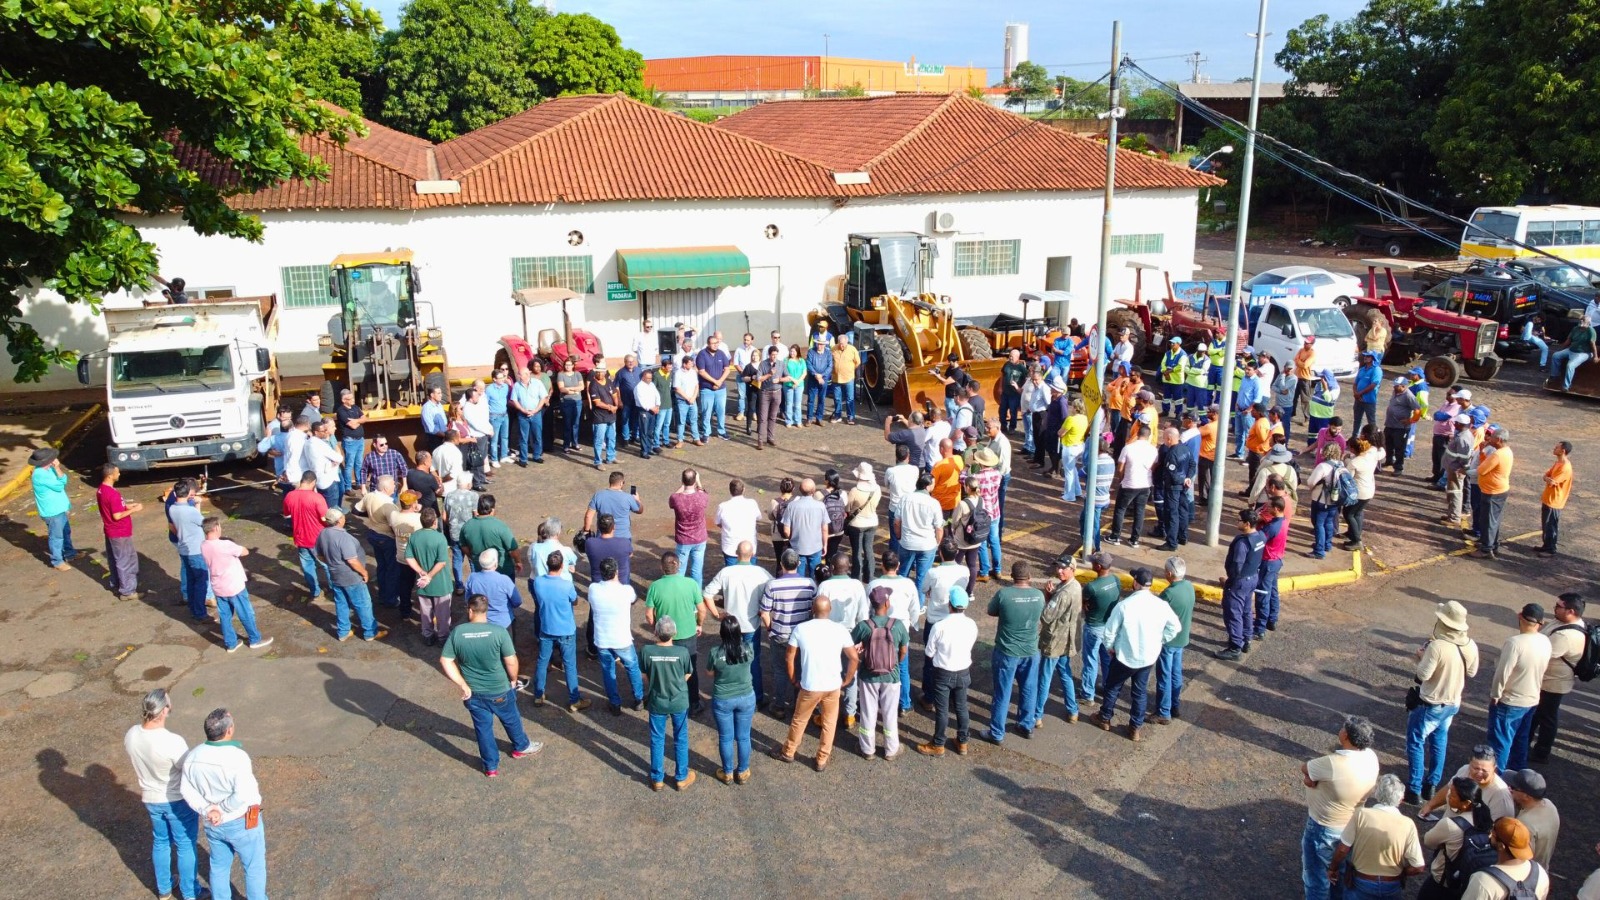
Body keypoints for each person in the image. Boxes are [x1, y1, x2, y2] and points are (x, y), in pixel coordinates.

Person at [440, 594, 541, 777]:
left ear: (470, 610)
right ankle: (521, 747)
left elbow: (446, 660)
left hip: (474, 693)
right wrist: (513, 678)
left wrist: (462, 684)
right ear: (486, 611)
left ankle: (490, 767)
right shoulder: (499, 632)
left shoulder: (458, 632)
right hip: (499, 688)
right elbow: (511, 660)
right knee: (511, 719)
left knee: (483, 729)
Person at [180, 709, 267, 900]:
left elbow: (186, 790)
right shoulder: (237, 757)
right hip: (242, 821)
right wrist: (222, 809)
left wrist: (208, 809)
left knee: (219, 867)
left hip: (214, 824)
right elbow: (243, 794)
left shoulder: (193, 756)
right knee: (253, 867)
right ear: (229, 731)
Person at [1404, 600, 1481, 805]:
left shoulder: (1437, 646)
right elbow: (1472, 672)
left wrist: (1421, 656)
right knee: (1439, 742)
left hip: (1430, 704)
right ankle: (1432, 786)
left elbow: (1423, 674)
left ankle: (1414, 789)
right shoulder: (1471, 645)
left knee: (1416, 743)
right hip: (1452, 703)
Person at [125, 689, 200, 900]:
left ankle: (164, 889)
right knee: (185, 845)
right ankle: (190, 893)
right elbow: (188, 769)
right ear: (164, 710)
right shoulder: (172, 741)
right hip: (176, 800)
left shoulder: (132, 735)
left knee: (161, 842)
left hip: (151, 799)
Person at [772, 596, 859, 772]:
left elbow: (789, 656)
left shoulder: (801, 629)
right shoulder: (839, 629)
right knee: (829, 722)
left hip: (810, 685)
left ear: (812, 609)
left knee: (799, 719)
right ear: (830, 610)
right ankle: (821, 759)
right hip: (832, 685)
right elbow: (854, 657)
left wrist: (793, 677)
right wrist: (847, 679)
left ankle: (788, 752)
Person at [1094, 567, 1180, 742]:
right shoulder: (1161, 605)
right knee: (1139, 692)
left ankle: (1104, 717)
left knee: (1113, 687)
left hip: (1125, 656)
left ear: (1135, 583)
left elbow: (1109, 632)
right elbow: (1175, 627)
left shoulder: (1124, 606)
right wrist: (1161, 640)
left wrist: (1110, 647)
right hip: (1147, 657)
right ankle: (1135, 727)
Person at [1301, 716, 1381, 900]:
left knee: (1316, 879)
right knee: (1341, 874)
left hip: (1324, 827)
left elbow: (1305, 768)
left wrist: (1310, 781)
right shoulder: (1371, 757)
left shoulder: (1332, 763)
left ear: (1345, 735)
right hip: (1352, 824)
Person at [1326, 774, 1425, 898]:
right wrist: (1401, 874)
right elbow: (1418, 867)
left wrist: (1332, 868)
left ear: (1377, 793)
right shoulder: (1408, 824)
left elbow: (1342, 848)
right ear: (1401, 799)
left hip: (1361, 881)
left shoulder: (1361, 815)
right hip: (1391, 884)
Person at [703, 540, 772, 707]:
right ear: (753, 554)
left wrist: (717, 614)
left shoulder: (726, 572)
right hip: (751, 625)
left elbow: (707, 594)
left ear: (736, 553)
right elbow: (774, 590)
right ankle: (756, 698)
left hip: (730, 625)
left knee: (730, 658)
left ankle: (732, 691)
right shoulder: (761, 573)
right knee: (753, 661)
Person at [1487, 604, 1552, 771]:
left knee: (1501, 743)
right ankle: (1517, 777)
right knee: (1521, 740)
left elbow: (1502, 672)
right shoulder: (1545, 641)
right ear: (1541, 623)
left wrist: (1495, 694)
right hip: (1531, 699)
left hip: (1510, 700)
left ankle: (1497, 778)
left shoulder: (1514, 643)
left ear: (1520, 617)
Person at [986, 562, 1045, 743]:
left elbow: (991, 610)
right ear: (1028, 577)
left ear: (1012, 577)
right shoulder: (1038, 595)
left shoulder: (1004, 594)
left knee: (1002, 692)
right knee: (1029, 689)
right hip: (1031, 650)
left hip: (1007, 651)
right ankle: (1026, 725)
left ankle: (996, 732)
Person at [644, 552, 705, 716]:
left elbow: (649, 614)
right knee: (690, 668)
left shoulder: (655, 587)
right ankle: (693, 703)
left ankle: (666, 699)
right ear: (678, 565)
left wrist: (657, 628)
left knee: (666, 667)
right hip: (688, 633)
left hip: (666, 635)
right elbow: (702, 609)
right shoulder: (691, 584)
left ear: (661, 568)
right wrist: (699, 624)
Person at [852, 586, 909, 759]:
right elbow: (904, 650)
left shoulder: (864, 626)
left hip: (868, 675)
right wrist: (896, 662)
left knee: (868, 712)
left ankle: (867, 750)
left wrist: (860, 655)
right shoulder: (897, 625)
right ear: (887, 603)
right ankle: (891, 750)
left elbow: (849, 647)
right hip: (891, 676)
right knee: (890, 713)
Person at [758, 549, 817, 717]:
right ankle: (799, 704)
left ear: (781, 564)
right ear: (798, 564)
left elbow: (764, 612)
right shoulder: (810, 584)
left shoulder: (773, 585)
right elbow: (815, 608)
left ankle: (778, 706)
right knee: (800, 670)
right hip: (802, 638)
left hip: (780, 635)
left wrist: (770, 629)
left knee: (780, 671)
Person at [200, 517, 272, 652]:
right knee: (246, 613)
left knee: (225, 616)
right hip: (234, 585)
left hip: (218, 586)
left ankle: (231, 643)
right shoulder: (225, 545)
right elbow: (245, 551)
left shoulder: (204, 545)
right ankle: (254, 639)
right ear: (216, 528)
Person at [640, 616, 695, 791]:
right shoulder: (682, 652)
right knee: (681, 737)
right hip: (679, 700)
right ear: (675, 633)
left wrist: (656, 683)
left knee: (657, 739)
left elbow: (644, 675)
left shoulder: (647, 651)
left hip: (657, 701)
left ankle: (657, 779)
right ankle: (681, 777)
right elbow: (688, 674)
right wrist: (677, 684)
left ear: (655, 632)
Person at [314, 508, 385, 643]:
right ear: (340, 520)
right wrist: (364, 572)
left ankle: (343, 632)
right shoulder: (344, 537)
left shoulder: (323, 533)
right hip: (351, 577)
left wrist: (332, 565)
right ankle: (370, 632)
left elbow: (319, 555)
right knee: (363, 604)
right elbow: (352, 560)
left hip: (335, 575)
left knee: (341, 603)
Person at [1530, 592, 1585, 763]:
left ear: (1571, 612)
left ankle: (1541, 752)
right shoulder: (1563, 623)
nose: (1554, 609)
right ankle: (1526, 742)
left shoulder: (1566, 636)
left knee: (1547, 717)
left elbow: (1542, 652)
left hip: (1553, 683)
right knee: (1538, 714)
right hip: (1550, 680)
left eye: (1558, 606)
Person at [1418, 776, 1492, 900]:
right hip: (1465, 882)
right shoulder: (1485, 817)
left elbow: (1428, 841)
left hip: (1442, 884)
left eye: (1452, 795)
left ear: (1466, 803)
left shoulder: (1450, 824)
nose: (1448, 797)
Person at [533, 552, 588, 712]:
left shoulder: (538, 582)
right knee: (570, 665)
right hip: (566, 630)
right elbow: (575, 601)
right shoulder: (566, 585)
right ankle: (574, 699)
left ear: (547, 565)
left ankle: (538, 694)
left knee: (542, 662)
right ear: (562, 566)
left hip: (546, 628)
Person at [1032, 554, 1083, 728]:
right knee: (1065, 673)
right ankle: (1073, 710)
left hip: (1055, 641)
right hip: (1067, 640)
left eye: (1063, 568)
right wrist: (1054, 593)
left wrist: (1048, 597)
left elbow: (1046, 617)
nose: (1059, 571)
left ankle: (1037, 714)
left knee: (1044, 678)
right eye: (1058, 567)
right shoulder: (1075, 586)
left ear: (1072, 570)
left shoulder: (1064, 594)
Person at [587, 556, 643, 715]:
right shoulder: (626, 590)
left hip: (602, 640)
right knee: (632, 667)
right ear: (616, 572)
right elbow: (634, 599)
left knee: (608, 670)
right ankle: (638, 699)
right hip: (622, 639)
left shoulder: (593, 589)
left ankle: (614, 703)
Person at [1419, 743, 1517, 825]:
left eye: (1484, 770)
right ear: (1470, 764)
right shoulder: (1465, 770)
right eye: (1476, 768)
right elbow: (1449, 788)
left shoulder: (1501, 795)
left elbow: (1502, 828)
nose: (1479, 773)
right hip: (1447, 830)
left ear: (1494, 769)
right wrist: (1430, 805)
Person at [1458, 818, 1549, 900]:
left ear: (1501, 846)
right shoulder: (1540, 873)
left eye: (1493, 835)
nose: (1489, 836)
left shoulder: (1483, 880)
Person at [1217, 509, 1265, 661]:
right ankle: (1246, 638)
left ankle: (1235, 647)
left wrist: (1231, 580)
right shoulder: (1260, 536)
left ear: (1247, 524)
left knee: (1233, 614)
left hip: (1240, 582)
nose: (1236, 522)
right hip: (1252, 578)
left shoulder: (1242, 543)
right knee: (1245, 610)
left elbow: (1237, 565)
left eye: (1239, 520)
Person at [1154, 556, 1194, 723]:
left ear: (1169, 573)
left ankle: (1164, 712)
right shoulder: (1189, 587)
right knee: (1176, 673)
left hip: (1168, 641)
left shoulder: (1168, 593)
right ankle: (1174, 705)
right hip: (1182, 638)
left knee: (1164, 676)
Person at [404, 507, 453, 645]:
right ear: (434, 523)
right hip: (440, 583)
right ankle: (443, 637)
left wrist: (421, 572)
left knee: (425, 612)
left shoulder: (414, 536)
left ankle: (427, 636)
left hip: (422, 583)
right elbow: (442, 562)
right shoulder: (440, 538)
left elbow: (409, 557)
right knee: (443, 614)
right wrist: (430, 575)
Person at [166, 479, 211, 622]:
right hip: (196, 550)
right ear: (188, 494)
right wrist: (198, 504)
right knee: (201, 582)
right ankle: (200, 613)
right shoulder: (191, 511)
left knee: (191, 581)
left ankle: (193, 609)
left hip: (184, 548)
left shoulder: (173, 508)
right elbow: (204, 524)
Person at [96, 463, 142, 600]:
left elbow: (112, 508)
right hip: (120, 532)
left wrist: (126, 506)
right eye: (117, 472)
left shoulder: (101, 490)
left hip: (110, 530)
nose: (119, 474)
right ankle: (127, 591)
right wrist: (134, 510)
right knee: (126, 560)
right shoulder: (112, 494)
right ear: (110, 476)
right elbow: (117, 516)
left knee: (114, 558)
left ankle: (117, 583)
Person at [894, 473, 944, 592]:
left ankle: (900, 599)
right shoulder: (934, 503)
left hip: (907, 543)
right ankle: (919, 605)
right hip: (927, 545)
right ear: (927, 486)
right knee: (922, 577)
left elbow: (896, 522)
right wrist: (936, 543)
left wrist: (900, 538)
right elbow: (939, 528)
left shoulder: (905, 498)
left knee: (902, 574)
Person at [1109, 423, 1157, 547]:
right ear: (1148, 436)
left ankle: (1115, 536)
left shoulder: (1128, 448)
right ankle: (1134, 539)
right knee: (1140, 511)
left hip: (1129, 483)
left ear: (1137, 434)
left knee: (1120, 509)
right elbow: (1154, 466)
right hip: (1145, 484)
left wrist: (1121, 479)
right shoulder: (1153, 450)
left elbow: (1120, 468)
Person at [1505, 770, 1559, 871]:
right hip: (1542, 869)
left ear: (1526, 796)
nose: (1509, 789)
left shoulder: (1524, 824)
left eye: (1513, 788)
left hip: (1528, 875)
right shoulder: (1549, 805)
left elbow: (1519, 858)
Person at [1154, 426, 1195, 550]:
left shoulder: (1172, 454)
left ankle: (1171, 542)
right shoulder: (1186, 449)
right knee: (1183, 511)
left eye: (1165, 438)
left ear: (1169, 438)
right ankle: (1183, 536)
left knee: (1172, 514)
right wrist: (1188, 478)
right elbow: (1192, 464)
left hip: (1173, 488)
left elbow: (1172, 474)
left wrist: (1183, 479)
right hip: (1184, 487)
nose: (1164, 440)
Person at [1529, 440, 1572, 558]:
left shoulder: (1565, 467)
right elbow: (1547, 476)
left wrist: (1548, 479)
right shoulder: (1558, 463)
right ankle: (1546, 545)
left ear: (1563, 451)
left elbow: (1552, 481)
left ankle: (1551, 548)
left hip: (1555, 501)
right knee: (1546, 524)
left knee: (1551, 524)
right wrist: (1548, 478)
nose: (1554, 448)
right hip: (1549, 498)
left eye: (1557, 447)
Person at [780, 476, 829, 577]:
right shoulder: (821, 506)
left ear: (800, 490)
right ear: (814, 491)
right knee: (815, 575)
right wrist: (825, 544)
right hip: (816, 547)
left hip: (797, 546)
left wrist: (791, 538)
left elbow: (786, 531)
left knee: (798, 575)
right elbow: (824, 528)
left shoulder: (792, 506)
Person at [668, 468, 710, 586]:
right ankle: (697, 597)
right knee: (696, 571)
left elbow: (673, 498)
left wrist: (682, 486)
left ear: (682, 480)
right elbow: (703, 493)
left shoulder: (676, 498)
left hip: (683, 540)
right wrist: (699, 482)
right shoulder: (702, 497)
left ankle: (679, 595)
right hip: (700, 538)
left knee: (679, 570)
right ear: (695, 480)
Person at [843, 463, 882, 583]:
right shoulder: (877, 489)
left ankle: (856, 576)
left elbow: (848, 508)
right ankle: (869, 576)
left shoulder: (855, 491)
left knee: (857, 551)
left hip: (857, 524)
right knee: (869, 549)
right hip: (872, 521)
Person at [1344, 435, 1382, 552]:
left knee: (1348, 514)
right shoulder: (1370, 456)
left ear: (1353, 449)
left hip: (1359, 492)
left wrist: (1346, 460)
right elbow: (1382, 452)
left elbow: (1348, 478)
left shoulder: (1354, 462)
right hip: (1369, 490)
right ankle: (1354, 534)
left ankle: (1356, 540)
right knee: (1358, 513)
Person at [695, 332, 733, 441]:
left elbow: (727, 369)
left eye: (716, 343)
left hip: (721, 389)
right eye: (713, 343)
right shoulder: (702, 354)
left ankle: (721, 431)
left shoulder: (721, 353)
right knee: (707, 412)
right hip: (707, 389)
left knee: (721, 411)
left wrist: (720, 381)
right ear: (708, 344)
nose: (715, 345)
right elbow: (701, 372)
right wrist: (714, 381)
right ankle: (706, 432)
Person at [511, 361, 550, 465]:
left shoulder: (538, 383)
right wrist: (523, 410)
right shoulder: (516, 386)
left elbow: (543, 398)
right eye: (519, 374)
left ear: (527, 375)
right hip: (522, 415)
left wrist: (536, 410)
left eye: (520, 374)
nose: (518, 375)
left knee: (537, 436)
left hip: (536, 414)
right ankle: (523, 459)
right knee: (523, 437)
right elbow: (514, 400)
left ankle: (537, 455)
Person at [1547, 311, 1596, 390]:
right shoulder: (1575, 329)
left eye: (1583, 321)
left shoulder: (1590, 331)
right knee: (1556, 356)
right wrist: (1561, 349)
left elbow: (1592, 344)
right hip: (1571, 350)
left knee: (1570, 365)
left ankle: (1566, 386)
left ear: (1588, 322)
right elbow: (1568, 340)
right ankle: (1554, 376)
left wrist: (1595, 356)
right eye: (1580, 320)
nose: (1581, 322)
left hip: (1583, 353)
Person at [1383, 377, 1421, 475]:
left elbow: (1417, 410)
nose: (1394, 387)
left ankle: (1398, 467)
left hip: (1400, 428)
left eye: (1397, 386)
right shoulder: (1395, 392)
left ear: (1403, 386)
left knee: (1399, 447)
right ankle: (1389, 461)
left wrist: (1410, 420)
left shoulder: (1409, 396)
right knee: (1388, 444)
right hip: (1390, 424)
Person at [332, 389, 367, 494]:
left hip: (360, 440)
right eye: (350, 398)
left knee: (359, 463)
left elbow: (365, 418)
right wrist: (359, 421)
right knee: (349, 464)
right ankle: (348, 487)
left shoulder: (356, 407)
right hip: (350, 441)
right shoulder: (341, 411)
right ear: (344, 400)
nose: (353, 400)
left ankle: (359, 482)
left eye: (352, 397)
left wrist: (357, 421)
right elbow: (352, 425)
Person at [304, 418, 344, 508]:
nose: (325, 432)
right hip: (328, 480)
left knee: (323, 506)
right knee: (332, 508)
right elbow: (339, 458)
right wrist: (334, 459)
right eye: (323, 431)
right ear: (316, 432)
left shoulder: (307, 443)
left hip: (318, 479)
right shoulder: (320, 444)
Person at [586, 364, 620, 468]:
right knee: (599, 440)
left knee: (612, 437)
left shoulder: (608, 381)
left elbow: (614, 394)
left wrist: (616, 405)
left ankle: (610, 457)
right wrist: (610, 407)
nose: (601, 374)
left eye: (602, 372)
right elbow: (597, 403)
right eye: (598, 372)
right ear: (595, 373)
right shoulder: (593, 385)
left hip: (611, 415)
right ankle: (598, 461)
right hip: (600, 417)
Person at [753, 345, 784, 447]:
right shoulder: (763, 364)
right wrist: (769, 374)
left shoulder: (781, 364)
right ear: (769, 354)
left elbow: (788, 377)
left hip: (777, 392)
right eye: (772, 355)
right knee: (763, 418)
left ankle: (770, 438)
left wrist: (780, 380)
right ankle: (760, 440)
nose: (774, 356)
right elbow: (758, 379)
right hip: (765, 393)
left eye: (776, 354)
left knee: (773, 417)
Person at [555, 357, 586, 452]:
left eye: (569, 365)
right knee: (567, 423)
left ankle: (575, 443)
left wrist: (570, 389)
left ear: (573, 366)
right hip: (566, 402)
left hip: (577, 402)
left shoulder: (577, 374)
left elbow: (582, 387)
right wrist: (574, 391)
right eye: (566, 365)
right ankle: (566, 445)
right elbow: (562, 389)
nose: (567, 366)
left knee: (576, 423)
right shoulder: (561, 375)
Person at [1352, 350, 1382, 437]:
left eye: (1368, 356)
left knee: (1371, 421)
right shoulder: (1362, 369)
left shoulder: (1376, 370)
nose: (1365, 357)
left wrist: (1359, 393)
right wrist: (1356, 394)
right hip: (1358, 399)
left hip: (1369, 400)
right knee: (1357, 420)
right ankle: (1354, 438)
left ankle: (1374, 439)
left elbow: (1373, 385)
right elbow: (1355, 383)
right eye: (1365, 356)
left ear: (1373, 358)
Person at [804, 336, 833, 425]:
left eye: (822, 344)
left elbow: (830, 366)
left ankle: (819, 418)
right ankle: (809, 418)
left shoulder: (828, 353)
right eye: (818, 344)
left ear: (824, 345)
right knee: (811, 399)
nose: (820, 346)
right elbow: (809, 364)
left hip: (823, 379)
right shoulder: (811, 352)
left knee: (822, 399)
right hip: (813, 379)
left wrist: (822, 375)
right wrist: (816, 375)